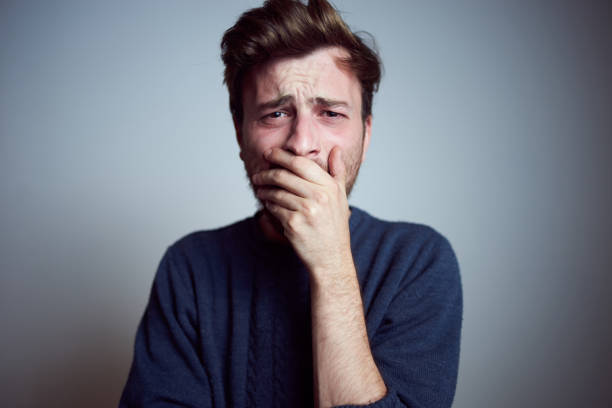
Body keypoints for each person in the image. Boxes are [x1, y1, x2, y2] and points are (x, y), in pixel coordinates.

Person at [119, 0, 462, 407]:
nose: (301, 144)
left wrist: (331, 263)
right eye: (276, 114)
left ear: (366, 136)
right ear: (239, 134)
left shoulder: (417, 261)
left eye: (331, 113)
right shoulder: (189, 268)